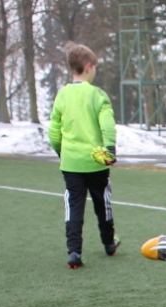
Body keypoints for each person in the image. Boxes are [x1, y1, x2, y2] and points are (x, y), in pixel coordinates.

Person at [48, 42, 118, 269]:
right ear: (88, 66)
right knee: (102, 202)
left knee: (74, 205)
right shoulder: (97, 94)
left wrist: (62, 151)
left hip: (71, 163)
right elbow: (107, 124)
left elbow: (54, 130)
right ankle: (109, 243)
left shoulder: (62, 95)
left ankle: (75, 252)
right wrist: (110, 149)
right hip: (96, 161)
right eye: (95, 66)